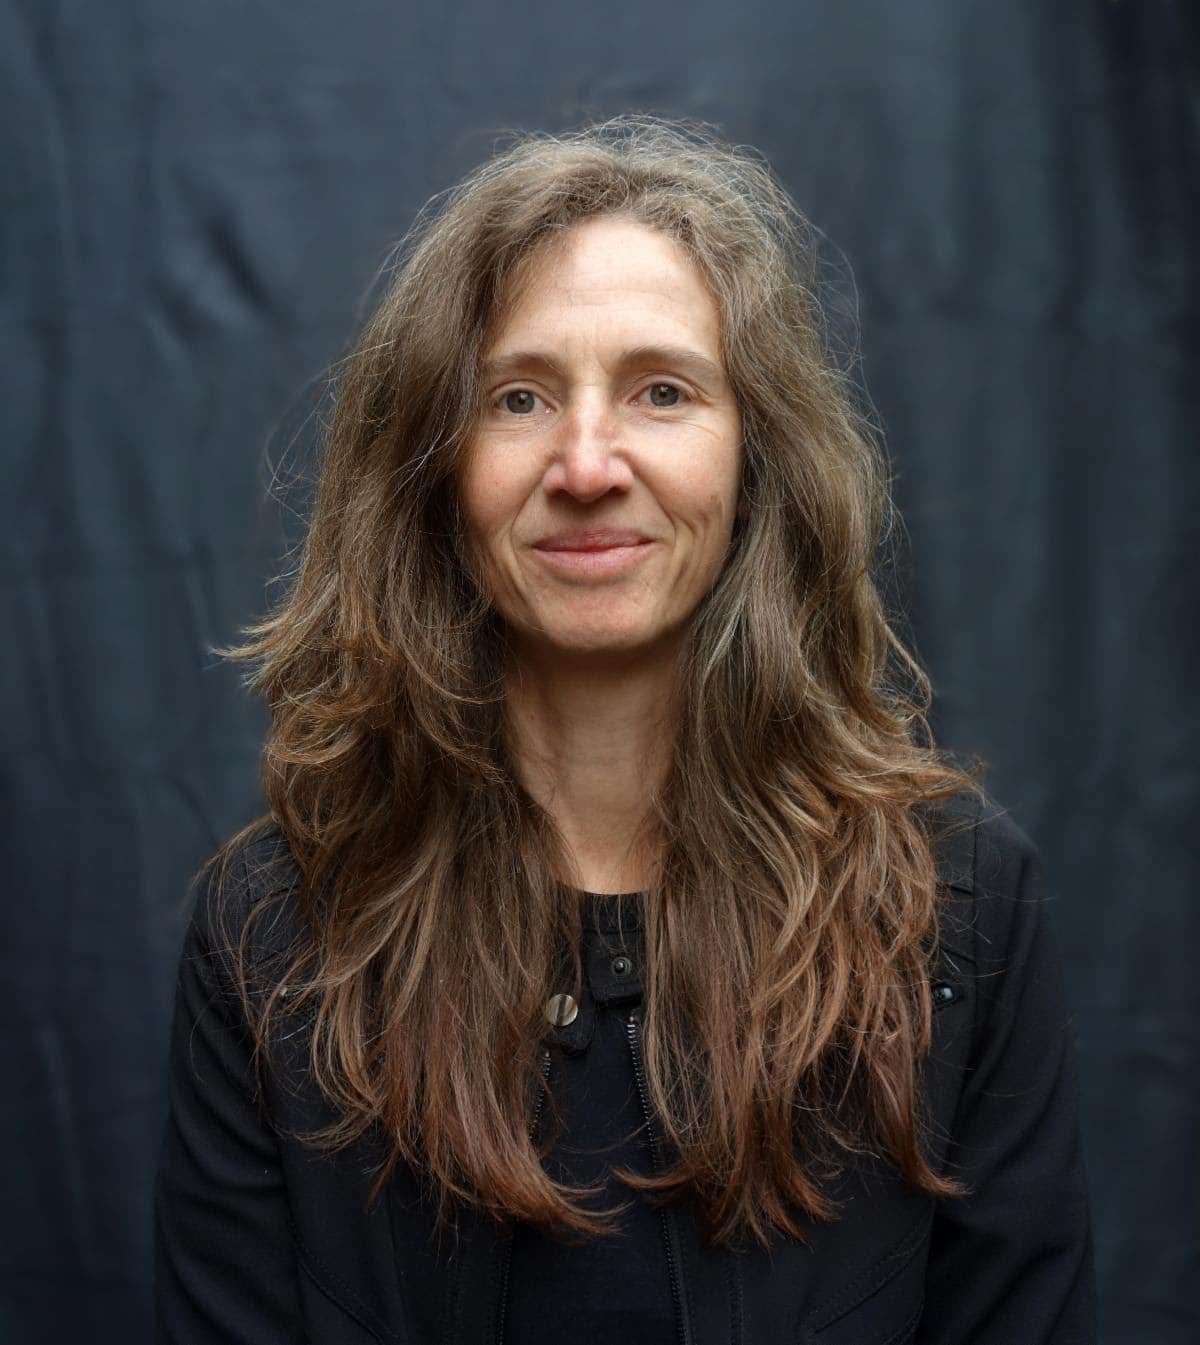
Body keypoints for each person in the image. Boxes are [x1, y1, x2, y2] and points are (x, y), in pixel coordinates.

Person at [154, 115, 1095, 1344]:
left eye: (663, 391)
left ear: (756, 459)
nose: (588, 464)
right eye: (518, 397)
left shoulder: (957, 907)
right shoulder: (273, 933)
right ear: (433, 471)